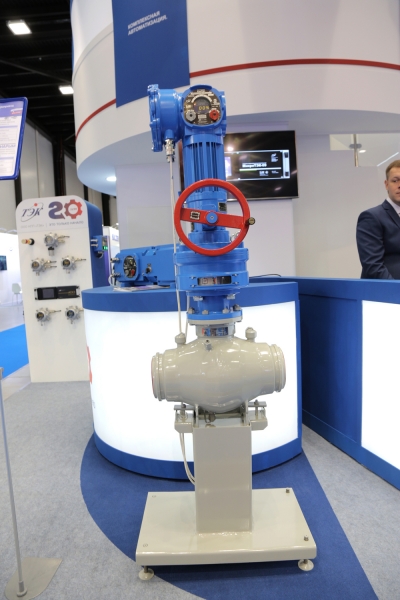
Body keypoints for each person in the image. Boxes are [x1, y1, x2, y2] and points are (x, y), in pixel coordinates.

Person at [356, 159, 400, 279]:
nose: (399, 185)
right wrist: (395, 288)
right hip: (388, 289)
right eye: (395, 180)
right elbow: (373, 266)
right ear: (386, 184)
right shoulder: (371, 217)